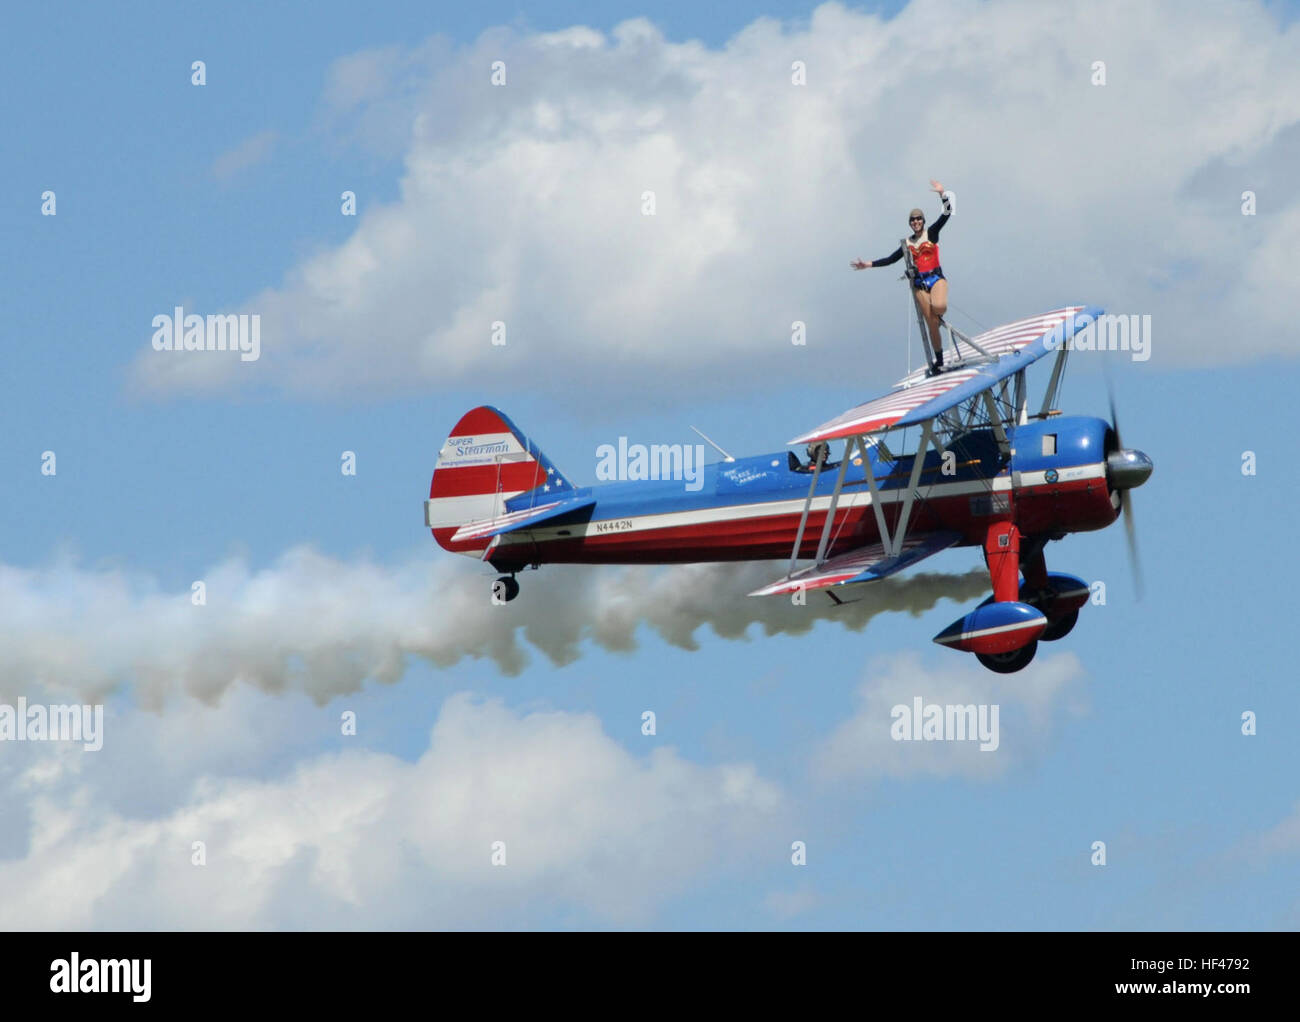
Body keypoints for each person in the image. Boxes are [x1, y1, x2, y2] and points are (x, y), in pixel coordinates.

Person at [851, 179, 953, 371]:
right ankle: (939, 360)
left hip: (936, 278)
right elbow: (890, 259)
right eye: (913, 220)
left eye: (919, 219)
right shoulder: (906, 244)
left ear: (923, 221)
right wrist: (867, 264)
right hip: (920, 284)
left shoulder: (931, 233)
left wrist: (942, 194)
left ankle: (937, 317)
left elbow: (947, 214)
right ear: (910, 223)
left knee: (938, 307)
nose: (916, 222)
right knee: (931, 324)